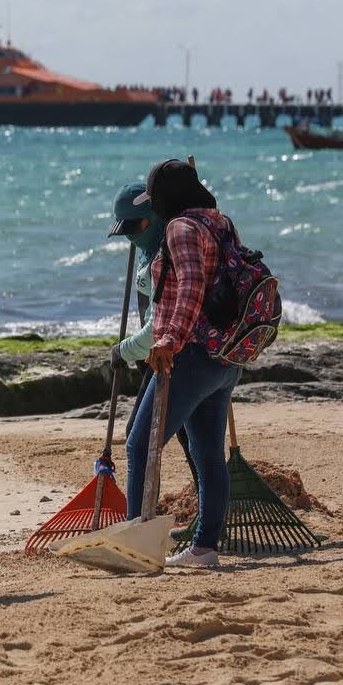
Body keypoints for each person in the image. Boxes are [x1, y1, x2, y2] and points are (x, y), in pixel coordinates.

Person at [124, 160, 242, 568]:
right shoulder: (221, 222)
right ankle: (205, 549)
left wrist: (170, 339)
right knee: (207, 450)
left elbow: (191, 285)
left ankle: (134, 543)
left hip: (190, 355)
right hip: (225, 356)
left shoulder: (179, 228)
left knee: (140, 446)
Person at [106, 183, 200, 489]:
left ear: (154, 216)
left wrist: (123, 351)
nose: (131, 235)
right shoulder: (151, 249)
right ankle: (206, 508)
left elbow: (156, 327)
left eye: (136, 226)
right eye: (126, 230)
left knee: (141, 438)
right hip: (170, 354)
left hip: (174, 353)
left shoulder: (166, 253)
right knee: (191, 437)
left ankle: (141, 516)